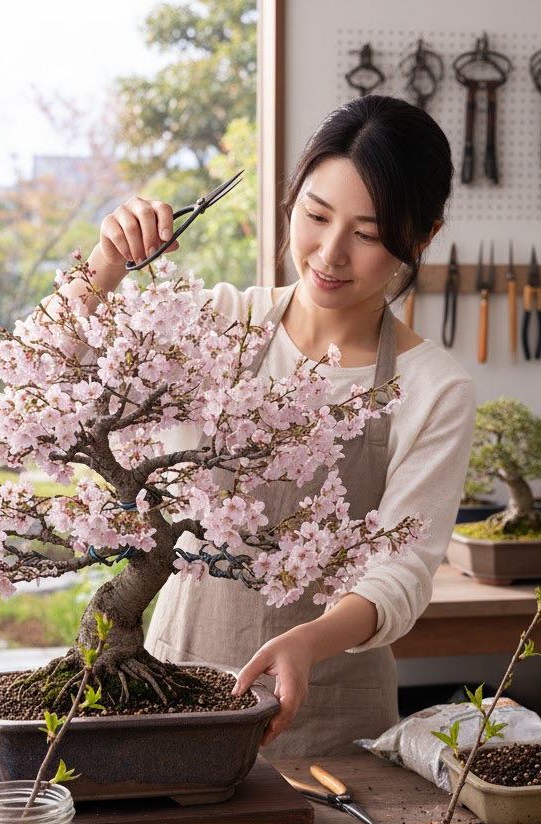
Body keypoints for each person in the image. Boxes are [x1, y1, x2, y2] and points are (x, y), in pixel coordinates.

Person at [68, 94, 475, 757]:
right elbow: (50, 370)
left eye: (367, 235)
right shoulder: (217, 325)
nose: (330, 253)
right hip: (174, 686)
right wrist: (106, 262)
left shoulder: (434, 389)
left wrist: (308, 641)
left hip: (330, 719)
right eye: (315, 216)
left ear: (422, 237)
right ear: (291, 202)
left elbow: (401, 572)